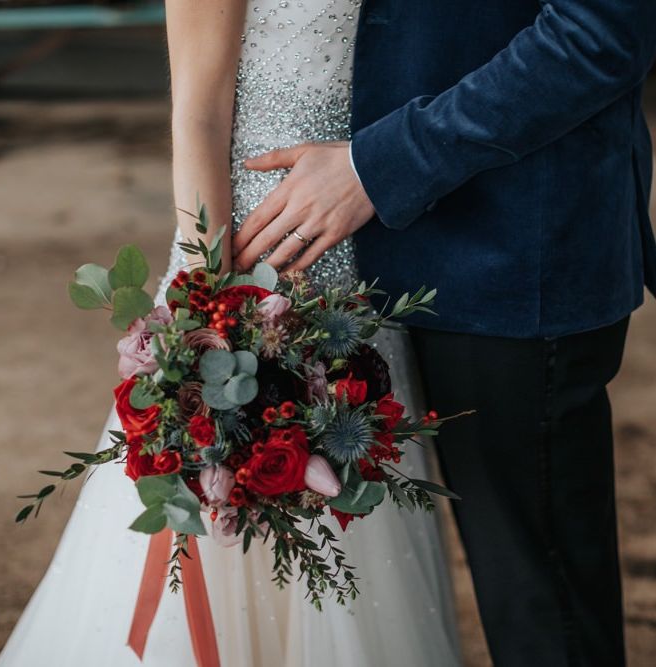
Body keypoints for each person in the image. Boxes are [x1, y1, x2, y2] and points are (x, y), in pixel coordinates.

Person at [0, 2, 462, 665]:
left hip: (360, 257)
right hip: (252, 256)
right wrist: (213, 310)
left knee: (351, 514)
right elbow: (199, 113)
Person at [232, 2, 656, 665]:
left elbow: (598, 34)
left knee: (542, 612)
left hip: (510, 252)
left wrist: (381, 166)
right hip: (347, 261)